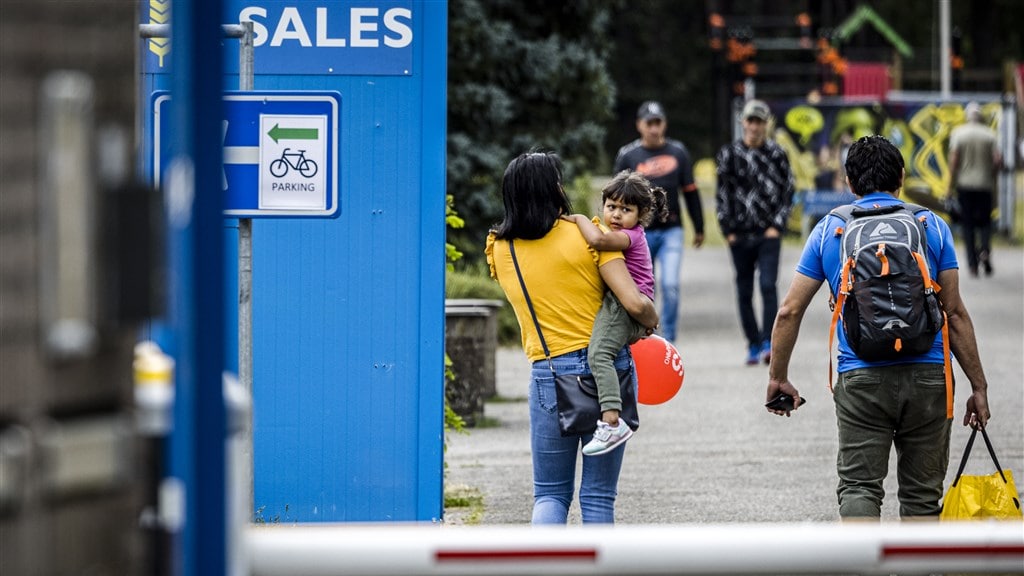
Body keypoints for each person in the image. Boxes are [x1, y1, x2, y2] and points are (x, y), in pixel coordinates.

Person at [765, 135, 991, 520]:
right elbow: (954, 313)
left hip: (860, 376)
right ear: (901, 177)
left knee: (859, 488)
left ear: (849, 182)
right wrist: (979, 387)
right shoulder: (931, 225)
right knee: (922, 498)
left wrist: (778, 377)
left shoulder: (830, 229)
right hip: (928, 375)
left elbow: (789, 311)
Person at [486, 151, 658, 524]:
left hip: (548, 373)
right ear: (553, 189)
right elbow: (633, 301)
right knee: (597, 497)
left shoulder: (500, 248)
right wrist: (651, 318)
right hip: (606, 368)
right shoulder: (589, 236)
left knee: (550, 494)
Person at [562, 171, 668, 456]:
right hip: (625, 304)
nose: (617, 214)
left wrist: (579, 218)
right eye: (611, 207)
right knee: (603, 352)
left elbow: (597, 242)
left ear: (641, 214)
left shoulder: (629, 236)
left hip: (625, 304)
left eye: (626, 209)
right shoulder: (624, 233)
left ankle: (611, 420)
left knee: (599, 354)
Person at [614, 101, 705, 344]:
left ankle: (668, 339)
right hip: (638, 234)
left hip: (671, 230)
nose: (654, 128)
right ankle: (645, 336)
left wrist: (699, 227)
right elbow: (615, 198)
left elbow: (691, 191)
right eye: (649, 123)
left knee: (670, 284)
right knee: (642, 287)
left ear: (664, 124)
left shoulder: (678, 152)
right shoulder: (628, 155)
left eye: (658, 123)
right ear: (639, 125)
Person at [715, 99, 794, 365]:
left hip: (768, 233)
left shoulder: (777, 154)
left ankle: (769, 341)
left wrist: (777, 226)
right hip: (739, 234)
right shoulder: (729, 154)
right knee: (744, 290)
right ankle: (752, 343)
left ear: (766, 124)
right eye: (751, 120)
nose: (754, 126)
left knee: (768, 286)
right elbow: (722, 193)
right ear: (743, 122)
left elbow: (788, 191)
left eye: (759, 121)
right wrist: (728, 230)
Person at [948, 101, 1003, 277]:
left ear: (967, 116)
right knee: (985, 222)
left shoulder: (958, 133)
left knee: (968, 224)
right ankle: (985, 250)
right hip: (985, 185)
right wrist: (992, 174)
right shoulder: (990, 135)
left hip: (964, 185)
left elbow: (954, 160)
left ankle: (972, 264)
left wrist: (949, 186)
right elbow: (997, 160)